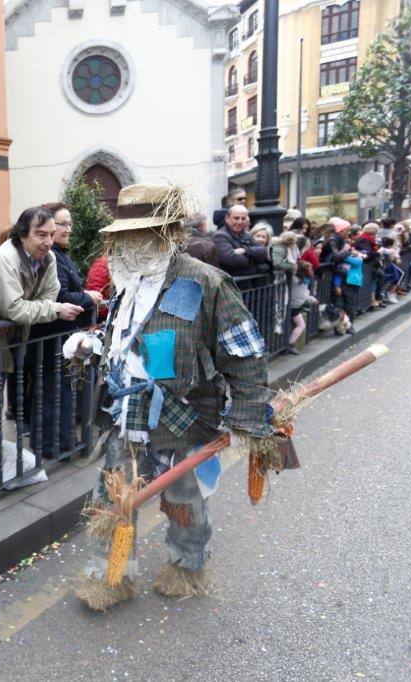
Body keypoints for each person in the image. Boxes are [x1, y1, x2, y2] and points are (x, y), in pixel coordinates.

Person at [69, 183, 272, 611]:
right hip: (126, 415)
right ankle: (112, 575)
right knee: (114, 503)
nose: (126, 243)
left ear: (166, 233)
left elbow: (244, 351)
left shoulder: (206, 282)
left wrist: (252, 414)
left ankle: (186, 568)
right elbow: (127, 340)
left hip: (184, 417)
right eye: (122, 234)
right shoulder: (126, 280)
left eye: (140, 233)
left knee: (184, 502)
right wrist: (93, 347)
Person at [0, 207, 85, 461]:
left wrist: (33, 308)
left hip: (16, 340)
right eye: (40, 234)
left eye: (51, 234)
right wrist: (52, 310)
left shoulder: (48, 259)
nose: (48, 242)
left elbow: (46, 295)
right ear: (23, 235)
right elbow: (15, 308)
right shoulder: (5, 260)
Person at [28, 202, 102, 455]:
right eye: (61, 224)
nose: (66, 229)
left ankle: (61, 442)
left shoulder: (60, 254)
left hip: (64, 338)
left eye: (68, 223)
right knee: (52, 393)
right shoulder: (53, 257)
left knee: (62, 392)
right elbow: (60, 296)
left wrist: (83, 295)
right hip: (51, 338)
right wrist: (88, 298)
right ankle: (49, 446)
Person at [212, 205, 269, 277]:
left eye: (243, 218)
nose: (240, 222)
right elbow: (231, 260)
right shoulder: (219, 236)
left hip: (248, 284)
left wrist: (245, 250)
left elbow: (263, 252)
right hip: (231, 285)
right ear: (227, 218)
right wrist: (255, 262)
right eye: (236, 218)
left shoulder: (248, 235)